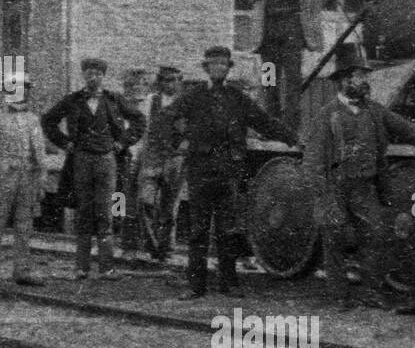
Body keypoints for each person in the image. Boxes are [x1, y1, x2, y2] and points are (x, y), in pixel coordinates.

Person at [302, 43, 415, 311]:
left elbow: (405, 128)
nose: (365, 81)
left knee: (377, 235)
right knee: (334, 239)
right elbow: (312, 163)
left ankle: (371, 292)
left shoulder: (374, 111)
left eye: (365, 76)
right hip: (335, 187)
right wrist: (325, 198)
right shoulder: (326, 115)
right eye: (359, 77)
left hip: (364, 187)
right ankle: (339, 296)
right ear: (345, 80)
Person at [172, 46, 295, 299]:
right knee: (198, 231)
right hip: (200, 171)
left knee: (228, 229)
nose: (218, 68)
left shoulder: (237, 98)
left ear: (228, 69)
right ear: (206, 68)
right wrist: (180, 143)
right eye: (213, 64)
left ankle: (229, 283)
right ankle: (196, 286)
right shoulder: (192, 97)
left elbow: (263, 122)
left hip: (228, 170)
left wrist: (292, 139)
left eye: (223, 64)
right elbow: (167, 119)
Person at [42, 57, 146, 280]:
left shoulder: (114, 99)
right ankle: (82, 267)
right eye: (89, 72)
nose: (93, 77)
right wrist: (65, 143)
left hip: (108, 161)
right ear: (84, 75)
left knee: (107, 212)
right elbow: (48, 121)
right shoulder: (72, 100)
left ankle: (107, 267)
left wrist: (122, 143)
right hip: (80, 161)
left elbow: (139, 121)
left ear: (103, 76)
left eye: (97, 73)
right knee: (83, 212)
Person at [236, 0, 323, 135]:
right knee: (269, 80)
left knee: (293, 80)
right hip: (267, 31)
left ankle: (291, 131)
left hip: (293, 28)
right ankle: (271, 128)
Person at [0, 73, 47, 286]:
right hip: (2, 178)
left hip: (27, 179)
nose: (23, 92)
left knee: (24, 227)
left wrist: (41, 181)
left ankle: (21, 271)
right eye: (18, 88)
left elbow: (40, 152)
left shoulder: (33, 119)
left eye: (26, 88)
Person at [137, 65, 185, 261]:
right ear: (160, 82)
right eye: (166, 80)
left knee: (170, 206)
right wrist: (139, 155)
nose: (170, 84)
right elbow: (143, 130)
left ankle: (167, 249)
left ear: (179, 82)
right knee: (145, 201)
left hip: (175, 160)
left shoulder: (185, 104)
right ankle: (152, 246)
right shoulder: (150, 102)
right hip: (152, 158)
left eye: (174, 80)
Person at [119, 68, 152, 254]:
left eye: (141, 84)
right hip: (124, 159)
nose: (135, 89)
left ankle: (145, 245)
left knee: (144, 202)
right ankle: (124, 243)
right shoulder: (119, 105)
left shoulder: (149, 106)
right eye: (131, 85)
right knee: (121, 202)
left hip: (144, 160)